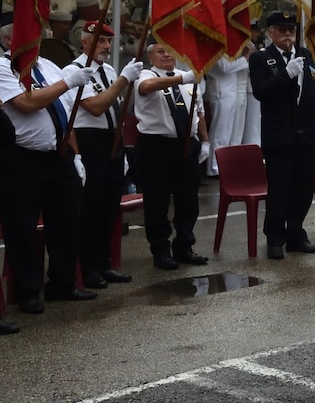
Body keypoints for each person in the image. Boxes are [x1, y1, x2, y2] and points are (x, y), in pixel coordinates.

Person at [0, 35, 99, 315]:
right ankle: (27, 292)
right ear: (10, 37)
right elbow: (26, 103)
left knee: (66, 222)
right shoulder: (4, 67)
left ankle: (63, 283)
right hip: (23, 159)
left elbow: (65, 115)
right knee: (22, 228)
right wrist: (68, 82)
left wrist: (76, 155)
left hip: (60, 155)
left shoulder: (50, 67)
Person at [65, 22, 143, 288]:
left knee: (109, 207)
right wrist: (124, 79)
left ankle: (104, 262)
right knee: (90, 209)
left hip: (112, 141)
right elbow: (96, 107)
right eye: (100, 41)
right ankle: (89, 268)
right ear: (84, 42)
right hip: (89, 142)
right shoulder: (74, 71)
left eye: (109, 41)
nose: (106, 47)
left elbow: (117, 108)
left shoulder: (108, 70)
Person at [249, 10, 315, 259]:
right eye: (281, 30)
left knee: (303, 189)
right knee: (279, 190)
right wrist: (286, 74)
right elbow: (262, 92)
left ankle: (296, 233)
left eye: (291, 30)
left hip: (306, 135)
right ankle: (275, 237)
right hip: (279, 136)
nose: (287, 35)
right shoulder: (261, 59)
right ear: (270, 32)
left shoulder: (305, 55)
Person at [134, 42, 211, 270]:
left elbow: (199, 112)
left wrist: (205, 141)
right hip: (156, 146)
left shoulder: (185, 76)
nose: (167, 55)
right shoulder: (144, 74)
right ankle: (160, 250)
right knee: (157, 201)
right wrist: (183, 79)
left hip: (186, 144)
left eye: (170, 50)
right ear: (151, 57)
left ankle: (184, 246)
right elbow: (146, 87)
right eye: (160, 51)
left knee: (188, 199)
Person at [205, 45, 253, 176]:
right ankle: (215, 167)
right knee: (221, 132)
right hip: (221, 91)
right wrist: (246, 57)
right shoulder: (213, 47)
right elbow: (225, 67)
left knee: (234, 132)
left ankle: (229, 163)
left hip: (232, 90)